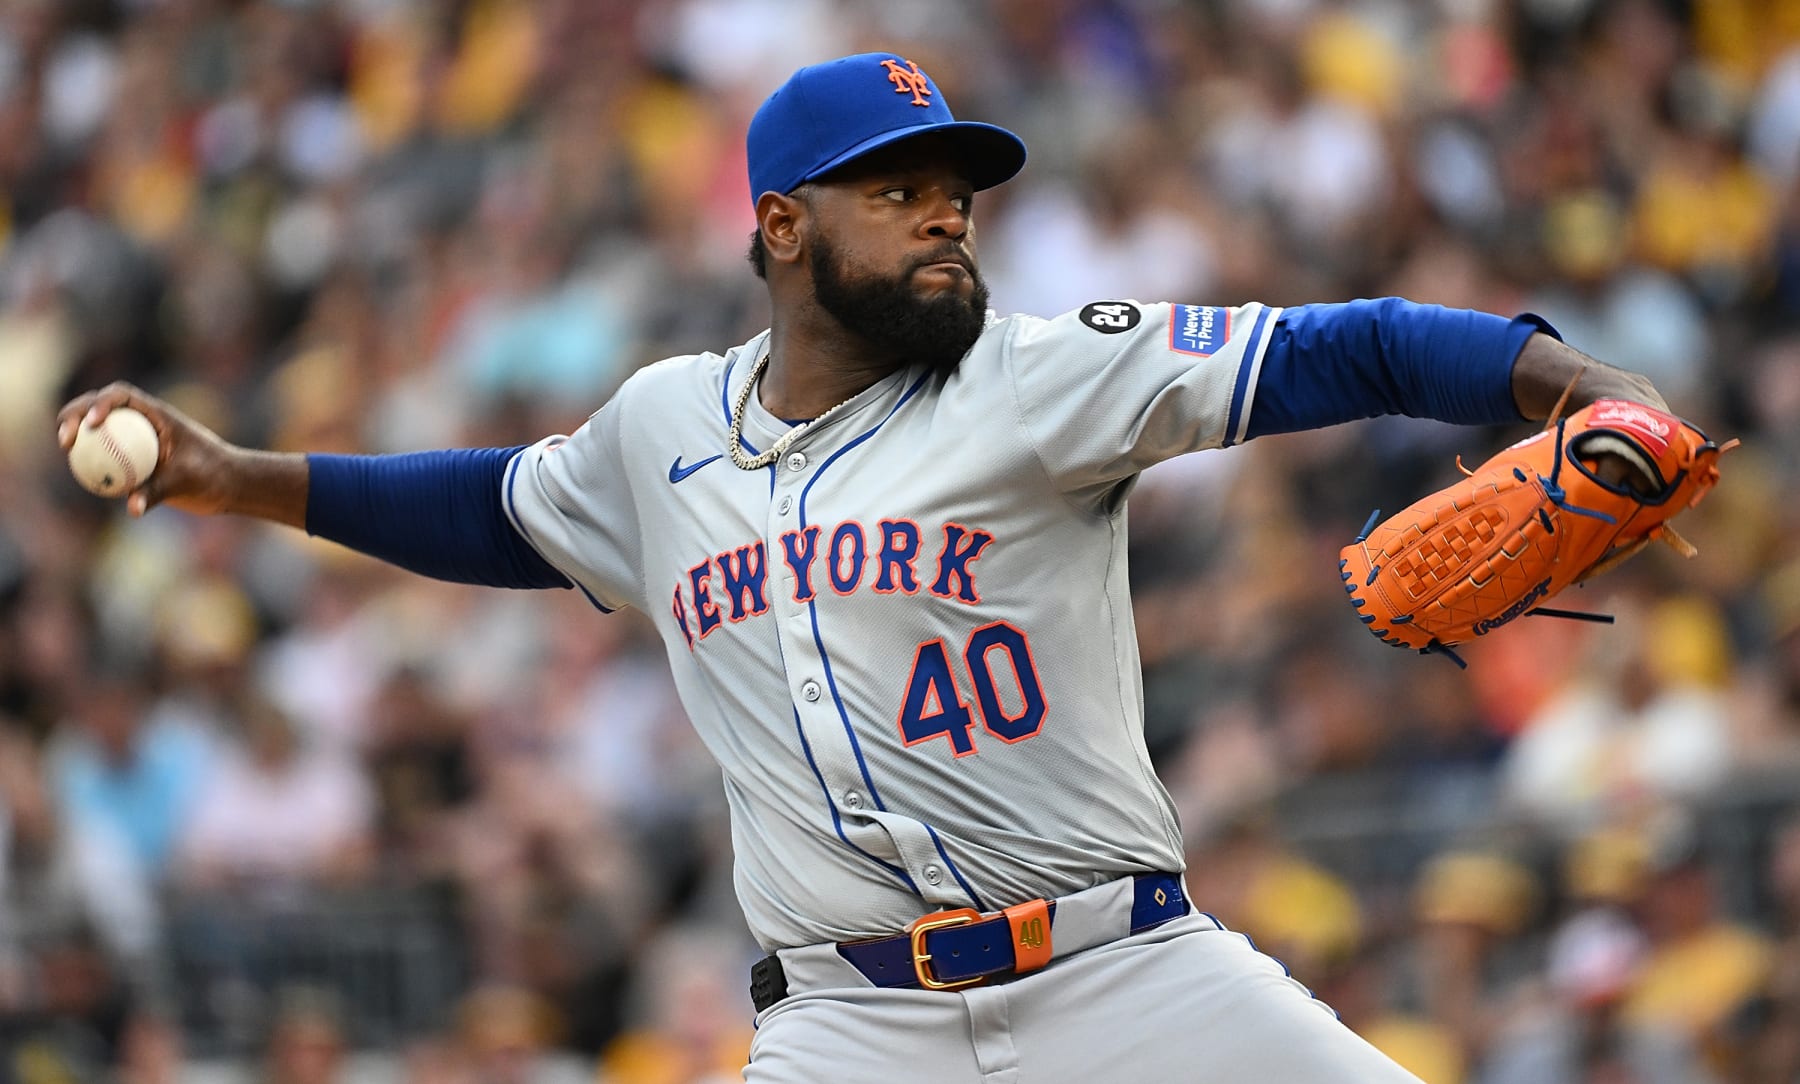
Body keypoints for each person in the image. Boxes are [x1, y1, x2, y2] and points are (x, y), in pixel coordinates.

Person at [59, 51, 1669, 1084]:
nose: (944, 219)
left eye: (956, 194)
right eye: (896, 192)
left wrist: (1578, 387)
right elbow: (495, 511)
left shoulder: (1040, 375)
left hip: (1130, 979)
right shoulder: (661, 426)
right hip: (848, 1028)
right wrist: (233, 477)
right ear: (779, 229)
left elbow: (1354, 346)